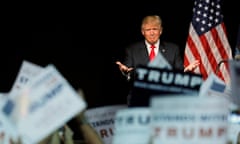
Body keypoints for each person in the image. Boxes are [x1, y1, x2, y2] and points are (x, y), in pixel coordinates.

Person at [115, 15, 200, 105]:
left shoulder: (173, 49)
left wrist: (185, 71)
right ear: (143, 32)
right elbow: (129, 71)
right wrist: (126, 72)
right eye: (148, 30)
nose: (152, 33)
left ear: (161, 31)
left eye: (155, 29)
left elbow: (178, 73)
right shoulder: (132, 50)